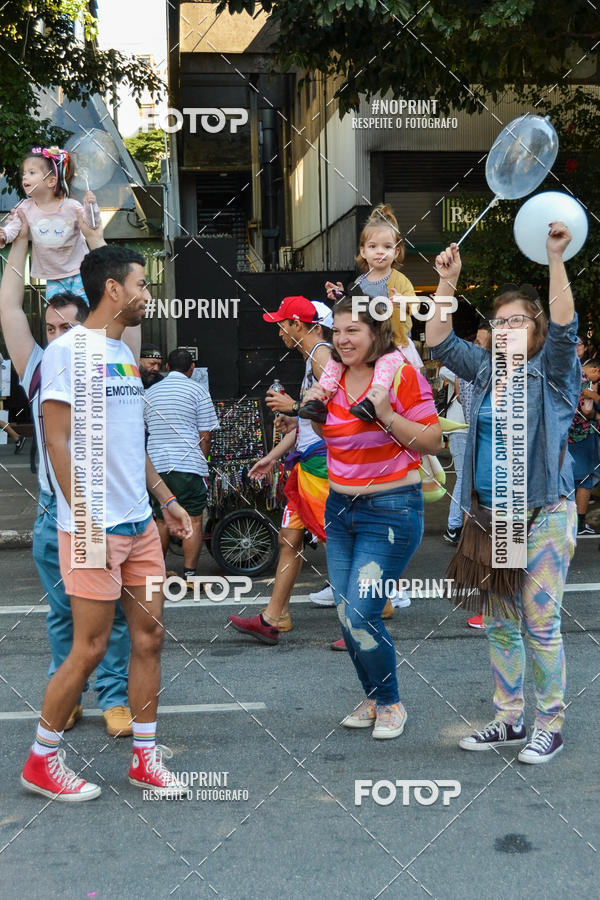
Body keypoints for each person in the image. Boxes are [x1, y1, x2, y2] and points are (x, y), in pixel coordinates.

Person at [20, 244, 192, 802]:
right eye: (142, 284)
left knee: (150, 637)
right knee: (90, 647)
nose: (148, 295)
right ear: (113, 289)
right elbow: (57, 441)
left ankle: (145, 758)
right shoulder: (66, 351)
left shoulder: (121, 353)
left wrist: (165, 498)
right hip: (92, 529)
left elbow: (128, 442)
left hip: (139, 523)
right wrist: (85, 517)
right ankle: (41, 761)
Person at [426, 223, 580, 764]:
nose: (508, 327)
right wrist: (447, 282)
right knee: (500, 622)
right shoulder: (488, 371)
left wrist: (555, 257)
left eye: (519, 320)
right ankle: (509, 718)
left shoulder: (554, 373)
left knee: (540, 623)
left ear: (536, 329)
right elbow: (438, 341)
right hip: (496, 518)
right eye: (500, 321)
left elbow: (566, 328)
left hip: (544, 514)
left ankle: (550, 724)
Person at [0, 221, 136, 738]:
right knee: (62, 614)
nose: (56, 336)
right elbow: (10, 310)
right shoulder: (39, 365)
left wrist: (96, 239)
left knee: (114, 615)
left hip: (113, 509)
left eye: (66, 328)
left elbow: (121, 304)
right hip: (54, 512)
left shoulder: (110, 352)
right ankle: (71, 694)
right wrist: (21, 235)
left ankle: (115, 697)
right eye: (50, 329)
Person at [317, 296, 441, 738]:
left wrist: (385, 413)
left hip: (389, 512)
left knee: (361, 612)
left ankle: (390, 702)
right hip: (339, 510)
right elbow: (331, 434)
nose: (342, 339)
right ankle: (374, 696)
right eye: (336, 331)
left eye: (353, 330)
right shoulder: (332, 376)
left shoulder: (401, 375)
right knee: (345, 613)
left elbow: (432, 440)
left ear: (376, 333)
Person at [228, 296, 333, 643]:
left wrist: (294, 407)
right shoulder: (313, 358)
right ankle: (275, 616)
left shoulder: (321, 356)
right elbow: (311, 418)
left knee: (338, 539)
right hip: (309, 462)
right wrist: (274, 454)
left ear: (297, 324)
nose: (279, 333)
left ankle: (372, 607)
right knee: (289, 538)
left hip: (321, 464)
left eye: (281, 325)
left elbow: (338, 411)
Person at [299, 204, 420, 424]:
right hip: (363, 345)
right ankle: (319, 400)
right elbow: (352, 310)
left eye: (387, 246)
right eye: (373, 246)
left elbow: (417, 306)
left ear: (396, 251)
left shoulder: (400, 281)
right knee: (335, 361)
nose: (380, 252)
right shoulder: (358, 283)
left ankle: (372, 402)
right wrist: (340, 298)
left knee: (385, 364)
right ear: (363, 251)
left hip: (392, 343)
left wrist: (403, 302)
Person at [144, 347, 219, 584]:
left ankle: (157, 573)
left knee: (161, 519)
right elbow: (206, 436)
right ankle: (190, 575)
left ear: (167, 367)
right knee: (193, 519)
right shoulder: (199, 391)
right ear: (192, 368)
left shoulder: (150, 393)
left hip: (156, 467)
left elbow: (144, 429)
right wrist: (201, 461)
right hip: (188, 466)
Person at [0, 146, 100, 301]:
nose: (24, 177)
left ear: (51, 181)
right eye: (24, 173)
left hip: (79, 270)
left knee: (83, 309)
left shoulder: (71, 206)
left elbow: (91, 224)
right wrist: (5, 235)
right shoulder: (25, 207)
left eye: (32, 172)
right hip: (52, 276)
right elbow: (14, 227)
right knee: (56, 311)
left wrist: (91, 206)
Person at [567, 357, 600, 536]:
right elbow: (587, 410)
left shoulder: (568, 372)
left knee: (568, 478)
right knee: (585, 480)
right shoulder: (586, 382)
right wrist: (596, 416)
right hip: (582, 435)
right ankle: (579, 524)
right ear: (595, 370)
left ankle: (566, 522)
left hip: (565, 435)